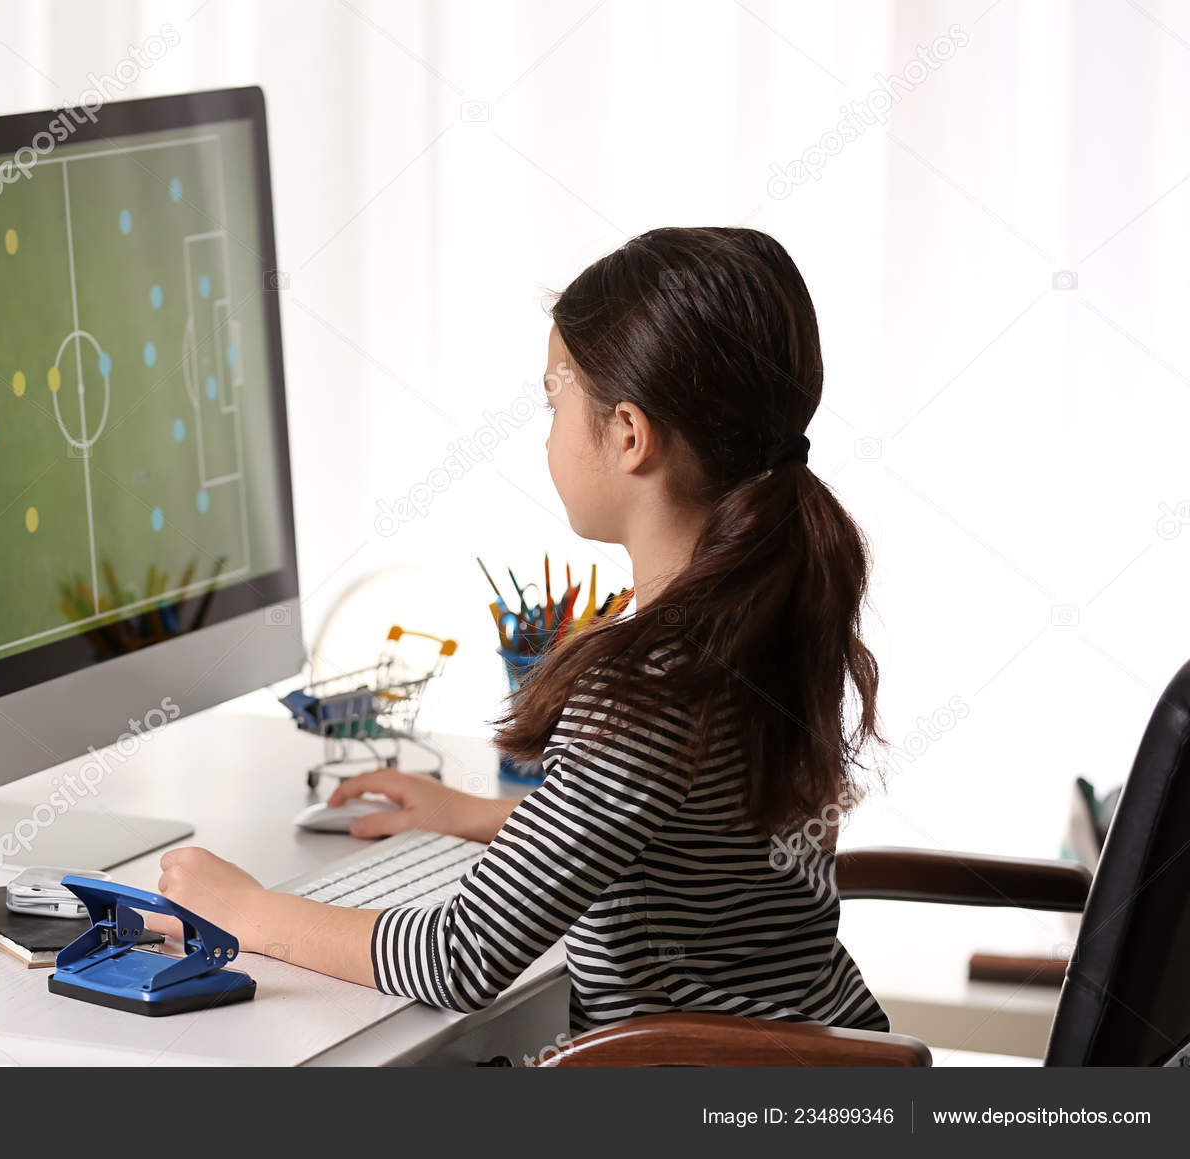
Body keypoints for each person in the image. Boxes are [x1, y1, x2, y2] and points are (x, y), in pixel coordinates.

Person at [156, 227, 888, 1035]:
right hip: (821, 1057)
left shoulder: (646, 685)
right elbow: (673, 830)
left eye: (555, 398)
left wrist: (248, 911)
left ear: (629, 435)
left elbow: (462, 956)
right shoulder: (762, 611)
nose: (546, 427)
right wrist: (473, 815)